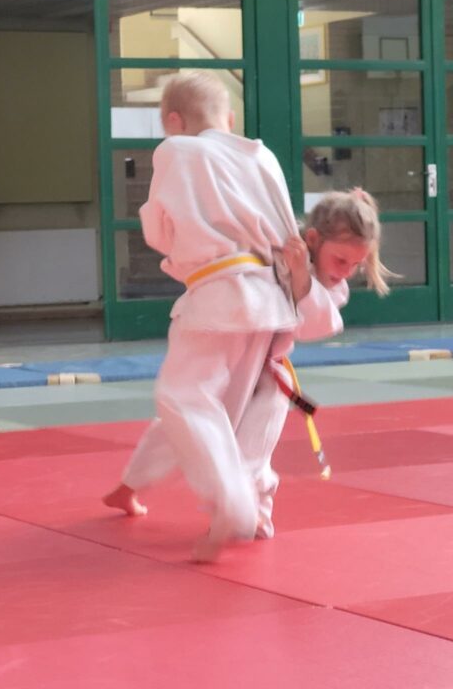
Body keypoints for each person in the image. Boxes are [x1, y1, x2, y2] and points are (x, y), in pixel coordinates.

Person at [102, 71, 300, 562]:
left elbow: (158, 232)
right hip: (269, 299)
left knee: (185, 399)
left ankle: (231, 503)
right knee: (219, 411)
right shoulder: (262, 156)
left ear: (173, 120)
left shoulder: (177, 151)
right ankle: (135, 487)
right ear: (229, 118)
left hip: (218, 295)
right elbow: (288, 234)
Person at [236, 188, 392, 541]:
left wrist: (302, 280)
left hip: (269, 372)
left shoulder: (333, 290)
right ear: (312, 240)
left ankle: (254, 512)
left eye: (356, 265)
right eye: (341, 260)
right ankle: (130, 486)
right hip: (232, 356)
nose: (346, 272)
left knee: (255, 444)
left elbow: (314, 328)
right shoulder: (284, 250)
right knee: (184, 424)